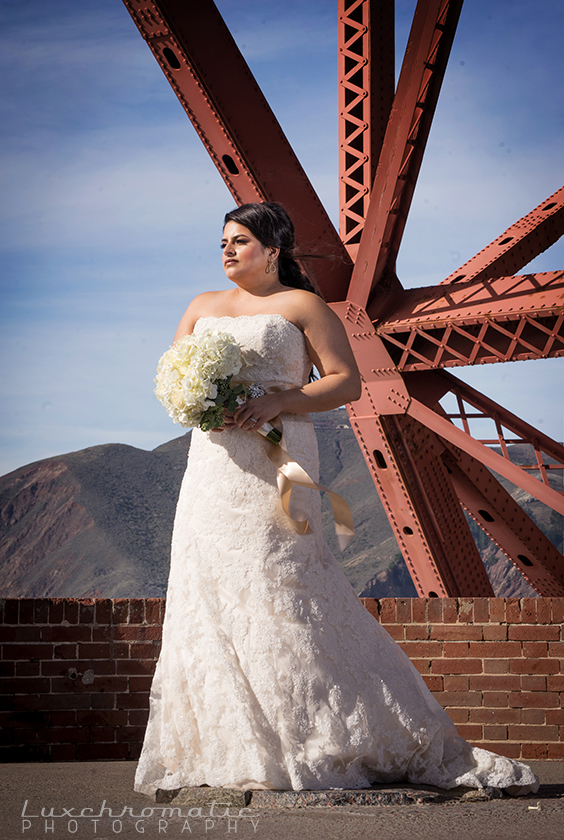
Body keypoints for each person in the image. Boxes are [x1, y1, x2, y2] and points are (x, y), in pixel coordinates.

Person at [134, 202, 539, 796]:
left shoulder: (302, 307)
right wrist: (199, 403)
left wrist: (282, 400)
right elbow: (173, 378)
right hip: (215, 466)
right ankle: (239, 746)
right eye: (222, 240)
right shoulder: (200, 307)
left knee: (282, 585)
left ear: (273, 251)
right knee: (209, 587)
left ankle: (317, 736)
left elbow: (345, 380)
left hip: (277, 459)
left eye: (240, 240)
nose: (227, 250)